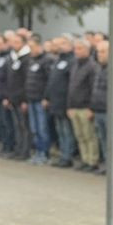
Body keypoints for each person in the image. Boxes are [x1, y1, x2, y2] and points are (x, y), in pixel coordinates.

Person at [68, 38, 100, 171]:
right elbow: (70, 86)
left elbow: (94, 88)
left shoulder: (92, 66)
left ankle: (92, 160)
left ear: (87, 50)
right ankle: (84, 158)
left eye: (80, 49)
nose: (77, 51)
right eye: (75, 49)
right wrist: (69, 106)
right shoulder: (75, 64)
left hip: (85, 107)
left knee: (89, 135)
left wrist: (91, 107)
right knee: (80, 135)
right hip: (74, 106)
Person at [46, 36, 75, 167]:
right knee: (60, 130)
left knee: (67, 130)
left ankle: (67, 156)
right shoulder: (58, 60)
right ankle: (63, 154)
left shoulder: (72, 61)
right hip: (55, 101)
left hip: (65, 102)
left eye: (64, 43)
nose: (61, 46)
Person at [24, 35, 53, 164]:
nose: (31, 50)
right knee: (34, 128)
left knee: (42, 128)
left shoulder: (46, 60)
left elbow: (49, 81)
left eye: (32, 47)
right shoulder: (31, 60)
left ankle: (44, 153)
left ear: (39, 46)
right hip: (31, 98)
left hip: (41, 99)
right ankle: (37, 152)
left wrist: (46, 97)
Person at [5, 32, 31, 160]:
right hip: (13, 97)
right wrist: (8, 97)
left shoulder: (27, 58)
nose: (14, 44)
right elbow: (9, 79)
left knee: (24, 126)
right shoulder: (12, 57)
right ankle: (18, 148)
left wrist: (25, 99)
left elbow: (27, 80)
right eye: (13, 42)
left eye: (17, 42)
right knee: (17, 125)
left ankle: (25, 150)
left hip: (22, 99)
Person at [89, 39, 112, 176]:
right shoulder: (98, 68)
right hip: (98, 108)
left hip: (108, 110)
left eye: (103, 52)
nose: (100, 54)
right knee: (102, 138)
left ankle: (112, 166)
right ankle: (106, 163)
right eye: (98, 52)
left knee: (111, 139)